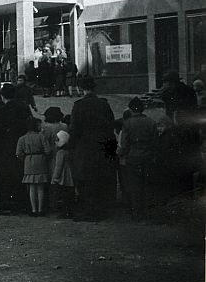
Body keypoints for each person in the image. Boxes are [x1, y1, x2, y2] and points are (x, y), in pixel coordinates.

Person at [69, 76, 116, 221]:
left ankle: (89, 211)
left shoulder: (78, 105)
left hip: (85, 148)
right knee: (101, 177)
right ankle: (102, 211)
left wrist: (72, 146)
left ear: (80, 88)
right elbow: (111, 124)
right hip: (102, 146)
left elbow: (74, 129)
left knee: (85, 179)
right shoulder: (104, 104)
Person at [0, 83, 32, 214]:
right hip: (21, 145)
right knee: (20, 174)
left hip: (5, 147)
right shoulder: (24, 107)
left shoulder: (2, 110)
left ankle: (6, 204)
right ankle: (21, 204)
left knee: (4, 177)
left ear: (2, 96)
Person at [117, 97, 158, 220]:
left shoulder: (127, 123)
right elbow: (155, 142)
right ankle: (147, 212)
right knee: (147, 185)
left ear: (131, 109)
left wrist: (121, 154)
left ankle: (136, 213)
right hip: (148, 157)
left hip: (133, 158)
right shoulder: (151, 122)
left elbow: (124, 145)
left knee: (134, 186)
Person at [16, 117, 52, 216]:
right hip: (40, 161)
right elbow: (48, 150)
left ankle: (33, 210)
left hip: (28, 161)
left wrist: (25, 159)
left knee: (32, 188)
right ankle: (40, 210)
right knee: (40, 187)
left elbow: (18, 153)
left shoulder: (22, 138)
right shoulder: (41, 137)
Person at [51, 130, 74, 218]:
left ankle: (65, 212)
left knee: (64, 196)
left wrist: (55, 177)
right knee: (70, 195)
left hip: (63, 178)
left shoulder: (60, 153)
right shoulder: (69, 151)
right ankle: (70, 211)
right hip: (70, 176)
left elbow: (58, 167)